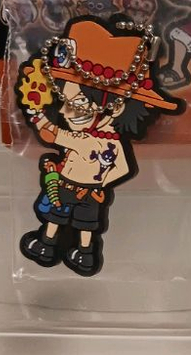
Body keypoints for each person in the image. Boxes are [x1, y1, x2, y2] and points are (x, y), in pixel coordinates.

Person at [17, 18, 182, 276]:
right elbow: (122, 168)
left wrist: (35, 111)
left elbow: (51, 134)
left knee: (59, 218)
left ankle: (49, 245)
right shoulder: (111, 142)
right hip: (90, 192)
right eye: (65, 101)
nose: (64, 111)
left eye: (78, 104)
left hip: (70, 186)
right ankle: (82, 252)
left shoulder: (84, 140)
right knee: (83, 223)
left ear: (115, 107)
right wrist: (99, 180)